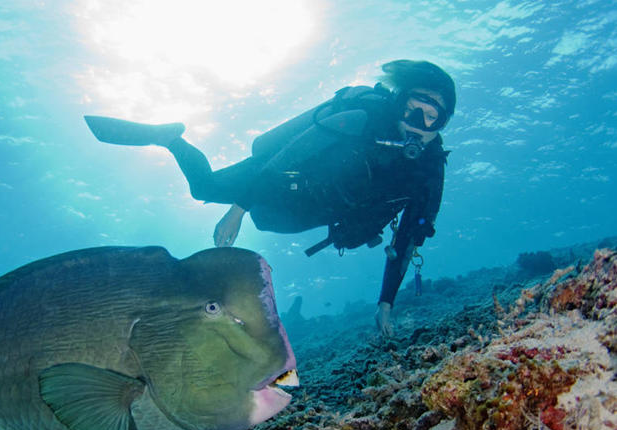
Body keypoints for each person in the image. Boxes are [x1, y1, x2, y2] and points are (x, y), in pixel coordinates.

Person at [85, 60, 456, 336]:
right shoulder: (359, 121)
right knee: (206, 188)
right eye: (413, 108)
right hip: (275, 173)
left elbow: (407, 237)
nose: (417, 124)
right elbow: (287, 157)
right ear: (398, 103)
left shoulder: (428, 169)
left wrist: (386, 302)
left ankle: (228, 187)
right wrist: (238, 209)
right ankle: (170, 138)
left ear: (443, 124)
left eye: (432, 118)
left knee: (269, 220)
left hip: (306, 207)